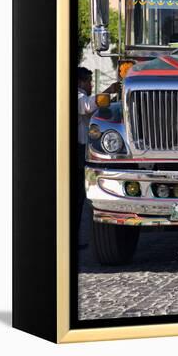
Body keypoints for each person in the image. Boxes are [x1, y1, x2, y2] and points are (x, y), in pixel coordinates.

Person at [77, 67, 98, 249]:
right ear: (81, 82)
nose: (91, 85)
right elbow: (87, 106)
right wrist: (108, 92)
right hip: (78, 149)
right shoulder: (77, 96)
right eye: (89, 82)